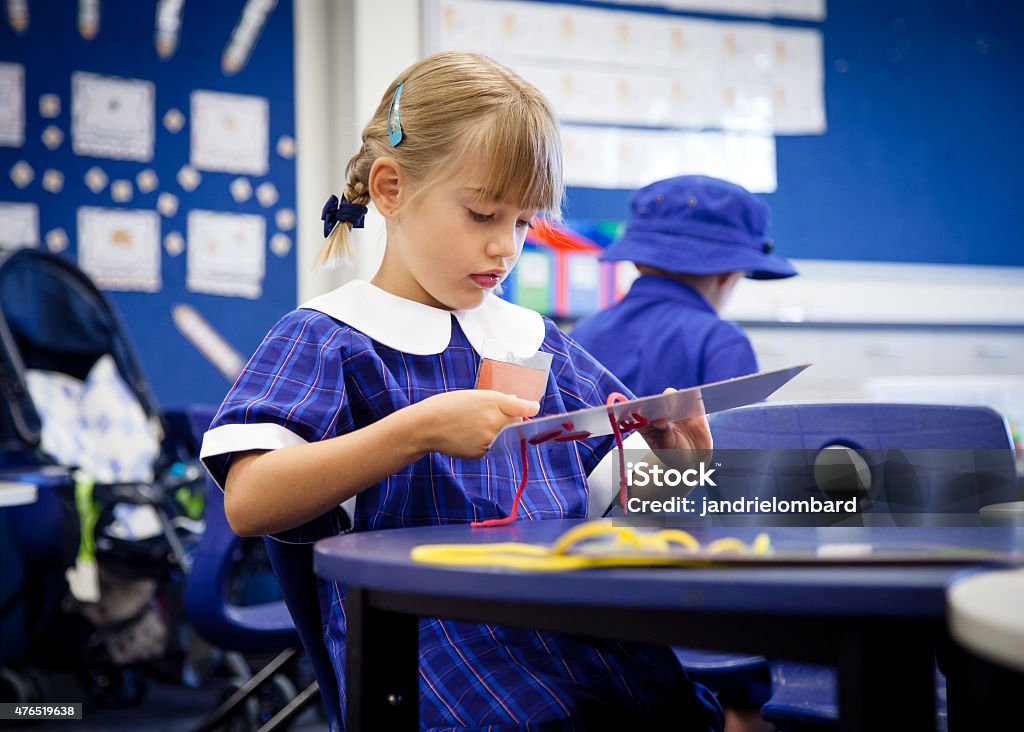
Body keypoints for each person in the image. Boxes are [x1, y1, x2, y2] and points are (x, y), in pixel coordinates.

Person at [201, 51, 723, 731]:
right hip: (427, 641)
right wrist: (413, 431)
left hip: (567, 624)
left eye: (524, 224)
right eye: (482, 215)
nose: (506, 248)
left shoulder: (537, 341)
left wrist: (679, 468)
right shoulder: (331, 336)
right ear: (389, 190)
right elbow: (249, 502)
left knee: (672, 711)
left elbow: (617, 508)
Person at [571, 175, 798, 396]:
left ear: (638, 262)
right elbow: (745, 432)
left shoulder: (580, 335)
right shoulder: (721, 341)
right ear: (728, 274)